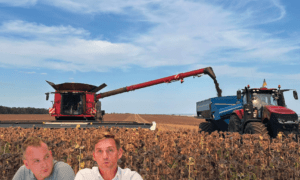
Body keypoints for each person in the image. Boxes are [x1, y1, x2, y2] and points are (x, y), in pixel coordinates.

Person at [74, 131, 143, 180]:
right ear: (94, 156)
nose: (105, 156)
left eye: (110, 150)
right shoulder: (84, 176)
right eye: (100, 151)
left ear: (119, 153)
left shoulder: (132, 177)